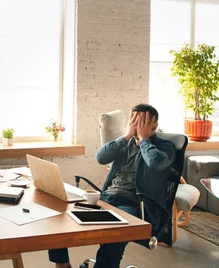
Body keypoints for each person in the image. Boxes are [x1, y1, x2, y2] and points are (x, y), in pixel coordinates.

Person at [49, 104, 176, 268]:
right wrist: (126, 136)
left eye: (143, 121)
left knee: (116, 233)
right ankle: (63, 264)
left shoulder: (165, 147)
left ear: (154, 125)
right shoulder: (126, 142)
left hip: (134, 204)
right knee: (58, 216)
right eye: (134, 120)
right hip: (106, 198)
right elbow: (101, 157)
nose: (137, 125)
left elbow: (155, 162)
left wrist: (144, 139)